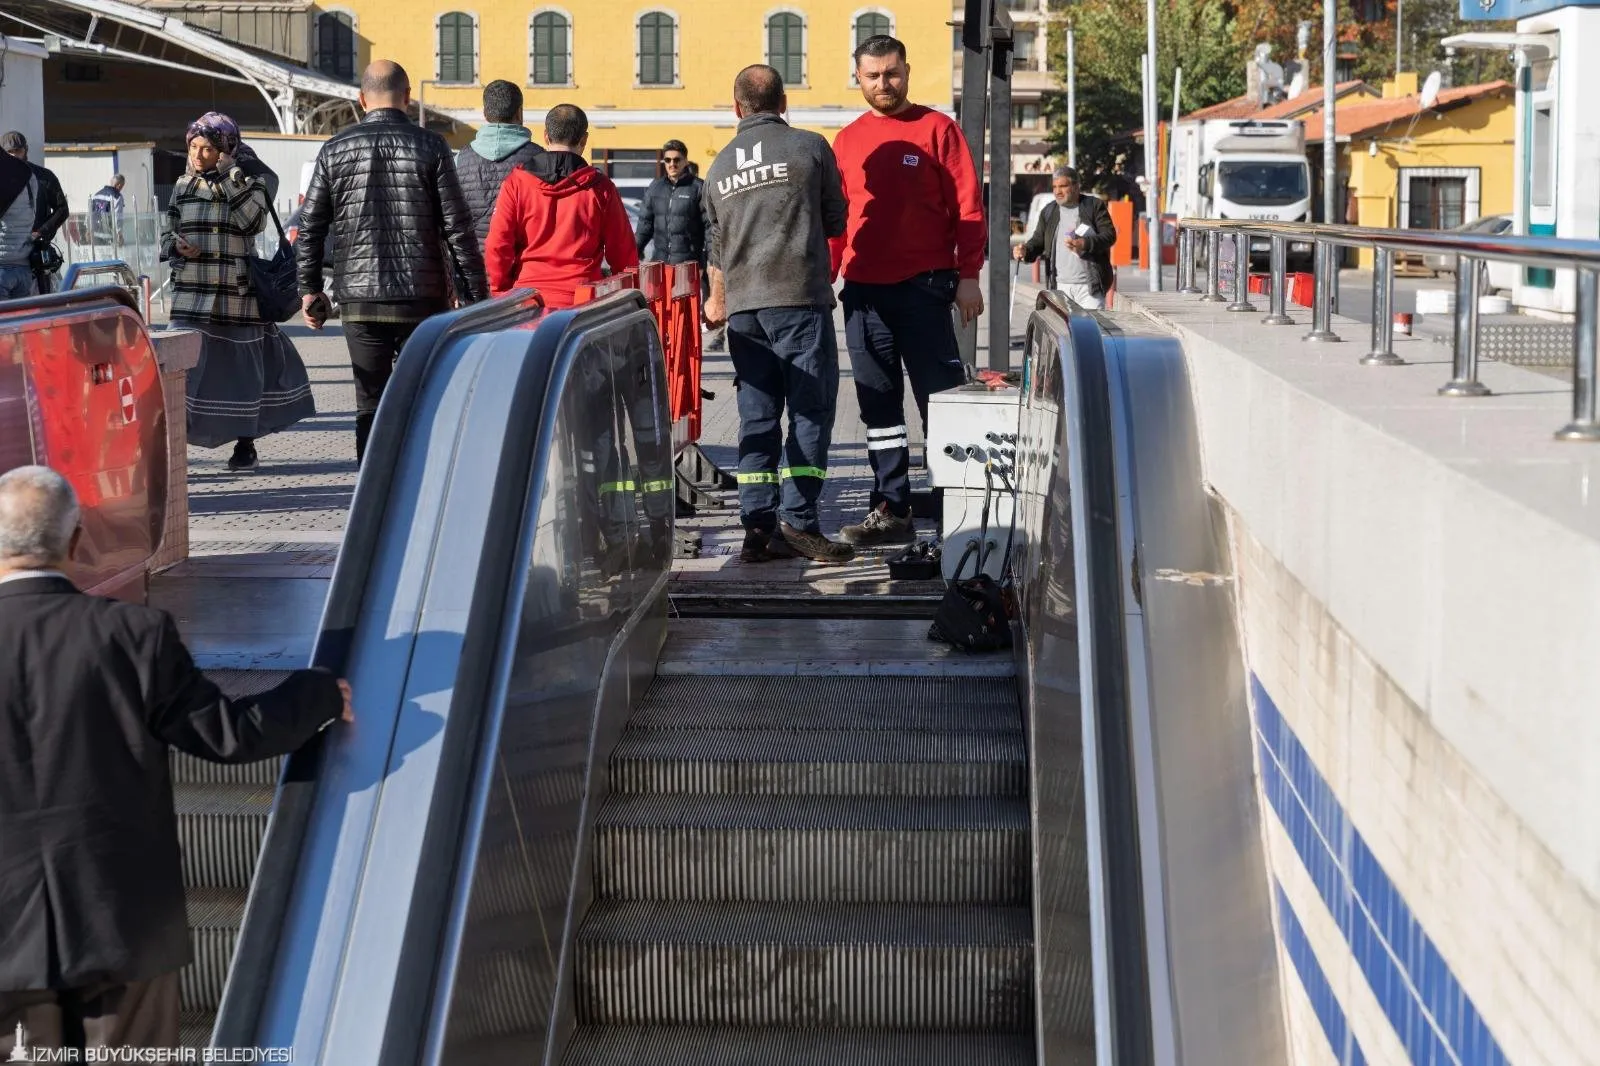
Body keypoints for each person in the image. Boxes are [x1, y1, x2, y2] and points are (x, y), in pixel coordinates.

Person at [0, 466, 352, 1058]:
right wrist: (316, 692)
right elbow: (228, 737)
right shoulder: (132, 634)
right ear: (77, 540)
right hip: (123, 919)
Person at [829, 34, 985, 547]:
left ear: (908, 71)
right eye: (872, 76)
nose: (883, 84)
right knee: (879, 409)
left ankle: (952, 508)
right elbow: (838, 222)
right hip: (864, 294)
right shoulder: (846, 140)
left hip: (926, 289)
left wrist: (968, 276)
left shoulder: (939, 129)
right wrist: (824, 279)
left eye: (891, 73)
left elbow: (967, 207)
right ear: (858, 78)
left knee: (938, 403)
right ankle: (892, 509)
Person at [297, 60, 488, 465]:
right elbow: (458, 228)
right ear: (407, 97)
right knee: (422, 395)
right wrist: (476, 297)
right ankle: (418, 482)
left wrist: (310, 290)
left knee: (369, 401)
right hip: (422, 299)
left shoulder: (335, 148)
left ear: (361, 99)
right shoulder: (431, 146)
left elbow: (311, 225)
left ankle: (372, 489)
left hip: (359, 300)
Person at [703, 65, 853, 565]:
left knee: (756, 418)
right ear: (784, 102)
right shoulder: (810, 147)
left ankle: (757, 526)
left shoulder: (720, 166)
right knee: (810, 411)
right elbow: (835, 217)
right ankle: (800, 523)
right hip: (798, 299)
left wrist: (718, 299)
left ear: (736, 108)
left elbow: (717, 247)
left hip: (745, 311)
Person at [163, 112, 317, 472]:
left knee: (241, 373)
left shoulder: (252, 181)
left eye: (207, 149)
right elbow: (167, 229)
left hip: (236, 293)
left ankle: (245, 445)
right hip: (191, 292)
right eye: (193, 147)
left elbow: (251, 221)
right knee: (184, 371)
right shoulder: (183, 184)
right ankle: (172, 447)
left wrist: (231, 176)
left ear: (225, 150)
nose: (198, 156)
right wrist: (175, 243)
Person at [484, 103, 638, 307]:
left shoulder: (517, 183)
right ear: (584, 140)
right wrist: (627, 298)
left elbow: (497, 245)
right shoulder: (601, 188)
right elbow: (623, 253)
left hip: (528, 300)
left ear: (546, 136)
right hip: (583, 301)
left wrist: (501, 293)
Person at [636, 139, 721, 348]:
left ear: (685, 161)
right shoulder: (655, 188)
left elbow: (710, 228)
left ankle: (691, 355)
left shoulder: (698, 188)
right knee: (661, 315)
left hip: (688, 266)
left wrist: (711, 260)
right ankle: (665, 355)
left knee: (686, 317)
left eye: (677, 160)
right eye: (668, 160)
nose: (672, 164)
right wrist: (634, 251)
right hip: (660, 264)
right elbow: (645, 224)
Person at [455, 79, 545, 248]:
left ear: (485, 113)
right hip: (522, 266)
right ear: (519, 113)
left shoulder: (459, 159)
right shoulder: (541, 159)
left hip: (473, 266)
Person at [1013, 165, 1116, 309]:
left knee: (1090, 331)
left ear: (1076, 186)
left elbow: (1109, 235)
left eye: (1063, 186)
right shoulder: (1049, 211)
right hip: (1059, 287)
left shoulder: (1093, 206)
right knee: (1064, 331)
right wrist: (1026, 251)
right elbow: (1038, 241)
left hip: (1090, 288)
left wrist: (1085, 243)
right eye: (1055, 187)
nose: (1057, 191)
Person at [1, 132, 68, 295]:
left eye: (18, 151)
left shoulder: (43, 176)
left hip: (34, 255)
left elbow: (62, 209)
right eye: (10, 152)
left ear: (26, 150)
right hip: (12, 257)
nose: (14, 156)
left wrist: (40, 232)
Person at [0, 150, 38, 300]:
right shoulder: (30, 175)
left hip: (2, 266)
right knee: (21, 321)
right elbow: (33, 211)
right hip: (24, 266)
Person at [89, 174, 126, 243]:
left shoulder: (96, 195)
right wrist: (119, 234)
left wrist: (88, 230)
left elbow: (91, 214)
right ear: (119, 185)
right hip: (110, 237)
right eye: (122, 186)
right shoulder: (117, 197)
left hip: (96, 236)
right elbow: (118, 216)